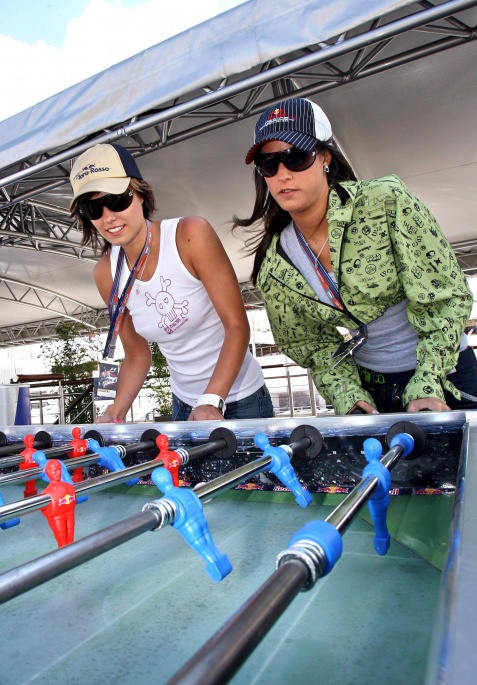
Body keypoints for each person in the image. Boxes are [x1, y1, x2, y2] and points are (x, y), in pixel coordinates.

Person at [233, 96, 477, 415]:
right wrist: (348, 395)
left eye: (296, 157)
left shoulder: (385, 203)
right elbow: (310, 344)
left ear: (324, 157)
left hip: (447, 375)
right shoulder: (275, 265)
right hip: (372, 390)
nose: (283, 174)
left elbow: (445, 296)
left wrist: (428, 381)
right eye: (269, 163)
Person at [69, 143, 273, 422]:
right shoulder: (106, 273)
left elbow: (237, 326)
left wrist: (211, 400)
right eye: (92, 208)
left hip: (241, 399)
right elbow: (137, 355)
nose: (108, 217)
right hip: (185, 405)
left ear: (140, 193)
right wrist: (112, 413)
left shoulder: (190, 235)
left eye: (117, 200)